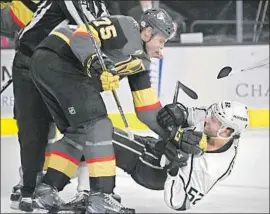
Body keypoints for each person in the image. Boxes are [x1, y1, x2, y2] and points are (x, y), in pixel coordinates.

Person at [29, 8, 174, 213]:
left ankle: (46, 191)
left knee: (78, 134)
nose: (162, 49)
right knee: (99, 126)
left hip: (49, 65)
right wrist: (97, 61)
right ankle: (101, 198)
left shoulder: (141, 62)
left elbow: (147, 110)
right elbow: (82, 36)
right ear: (148, 33)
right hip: (59, 59)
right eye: (162, 40)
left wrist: (173, 132)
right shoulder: (125, 26)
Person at [0, 0, 109, 212]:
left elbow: (99, 31)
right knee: (36, 130)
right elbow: (89, 29)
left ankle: (78, 190)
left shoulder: (99, 5)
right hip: (32, 62)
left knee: (84, 124)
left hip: (57, 65)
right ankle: (31, 187)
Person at [110, 100, 249, 211]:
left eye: (214, 119)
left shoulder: (210, 169)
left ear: (225, 132)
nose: (207, 117)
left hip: (153, 170)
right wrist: (180, 112)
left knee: (103, 137)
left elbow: (178, 203)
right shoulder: (220, 125)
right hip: (158, 146)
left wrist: (174, 168)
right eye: (212, 113)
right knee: (103, 137)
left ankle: (101, 197)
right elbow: (191, 114)